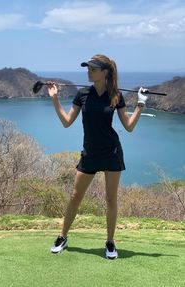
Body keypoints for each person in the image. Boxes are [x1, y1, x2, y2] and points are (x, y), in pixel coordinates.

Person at [47, 54, 148, 259]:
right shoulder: (83, 94)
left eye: (93, 69)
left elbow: (128, 127)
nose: (88, 72)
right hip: (90, 153)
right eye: (88, 68)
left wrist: (140, 104)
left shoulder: (115, 95)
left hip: (111, 152)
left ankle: (110, 243)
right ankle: (62, 237)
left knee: (111, 199)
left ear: (105, 72)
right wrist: (55, 99)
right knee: (75, 196)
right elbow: (67, 122)